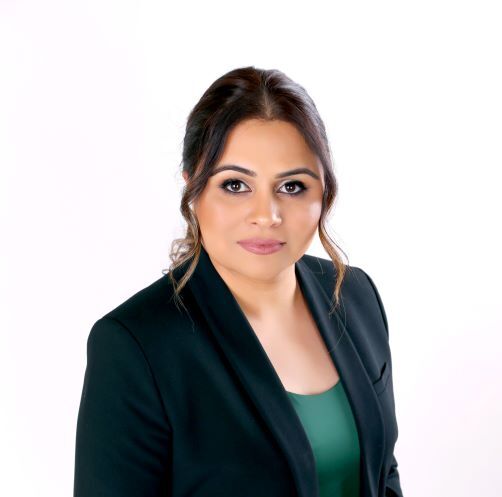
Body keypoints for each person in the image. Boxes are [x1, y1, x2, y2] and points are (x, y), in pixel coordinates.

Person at [73, 66, 404, 497]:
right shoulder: (136, 346)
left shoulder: (355, 295)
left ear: (324, 191)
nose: (266, 215)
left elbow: (381, 470)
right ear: (193, 190)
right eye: (235, 185)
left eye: (292, 186)